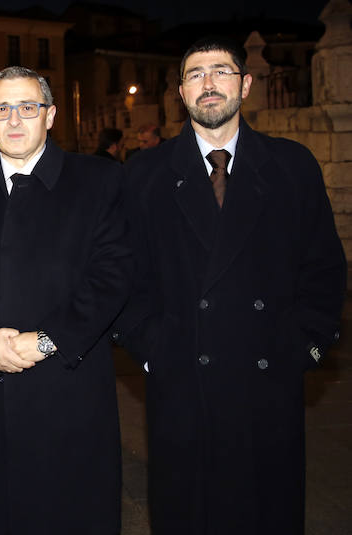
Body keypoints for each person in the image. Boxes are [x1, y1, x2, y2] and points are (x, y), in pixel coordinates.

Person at [112, 36, 346, 534]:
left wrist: (304, 346)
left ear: (245, 84)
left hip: (269, 378)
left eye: (221, 71)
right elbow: (125, 275)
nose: (209, 83)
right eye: (196, 74)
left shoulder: (292, 164)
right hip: (182, 380)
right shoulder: (145, 173)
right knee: (188, 514)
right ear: (180, 92)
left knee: (267, 512)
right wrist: (152, 350)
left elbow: (324, 267)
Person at [0, 66, 131, 534]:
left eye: (27, 107)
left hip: (66, 380)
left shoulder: (98, 180)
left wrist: (47, 340)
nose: (14, 119)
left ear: (51, 115)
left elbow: (112, 274)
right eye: (1, 109)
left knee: (68, 513)